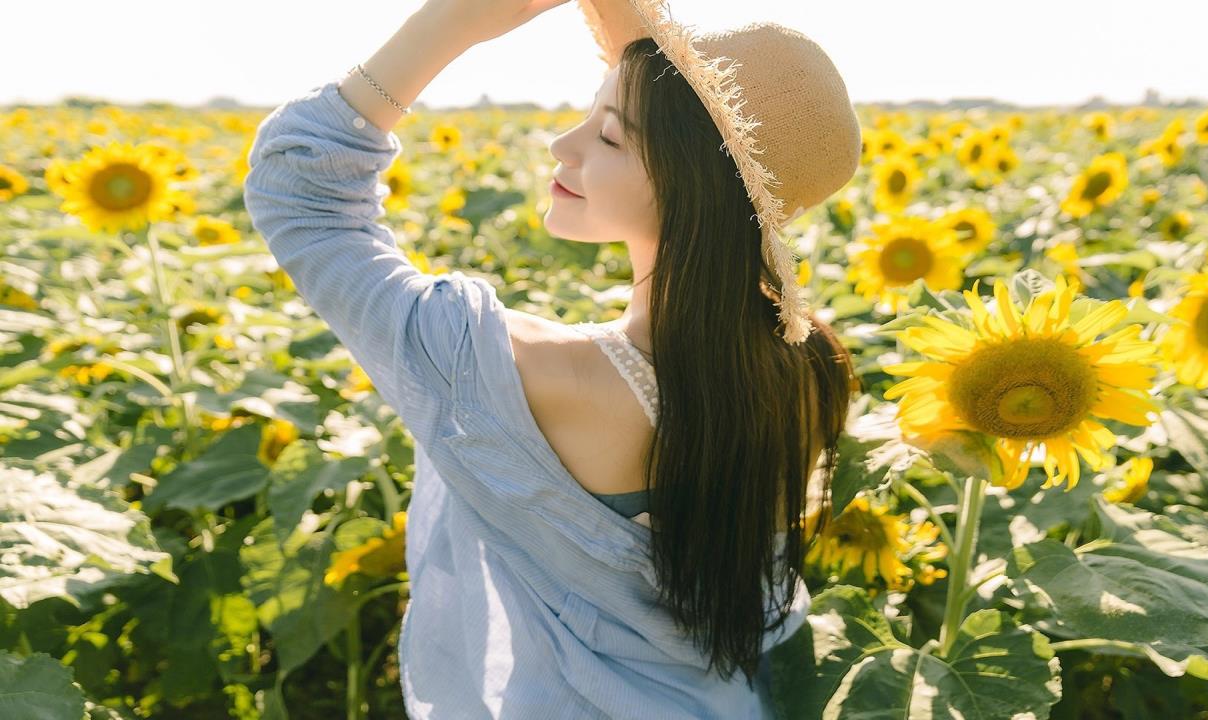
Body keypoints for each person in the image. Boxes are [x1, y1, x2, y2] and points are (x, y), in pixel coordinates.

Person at [242, 0, 863, 717]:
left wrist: (452, 23)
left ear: (692, 186)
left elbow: (303, 191)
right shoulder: (804, 366)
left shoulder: (516, 372)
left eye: (606, 136)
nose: (559, 146)